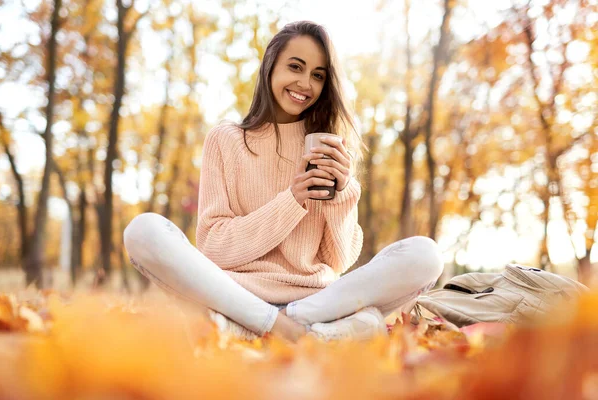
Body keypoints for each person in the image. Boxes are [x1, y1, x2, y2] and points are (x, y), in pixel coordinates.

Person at [123, 21, 443, 343]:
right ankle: (306, 333)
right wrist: (292, 200)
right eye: (295, 67)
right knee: (143, 230)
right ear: (270, 66)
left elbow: (338, 261)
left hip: (314, 302)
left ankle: (267, 326)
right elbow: (214, 248)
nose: (305, 83)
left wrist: (344, 195)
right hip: (235, 294)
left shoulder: (327, 149)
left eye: (318, 75)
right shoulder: (226, 140)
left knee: (426, 255)